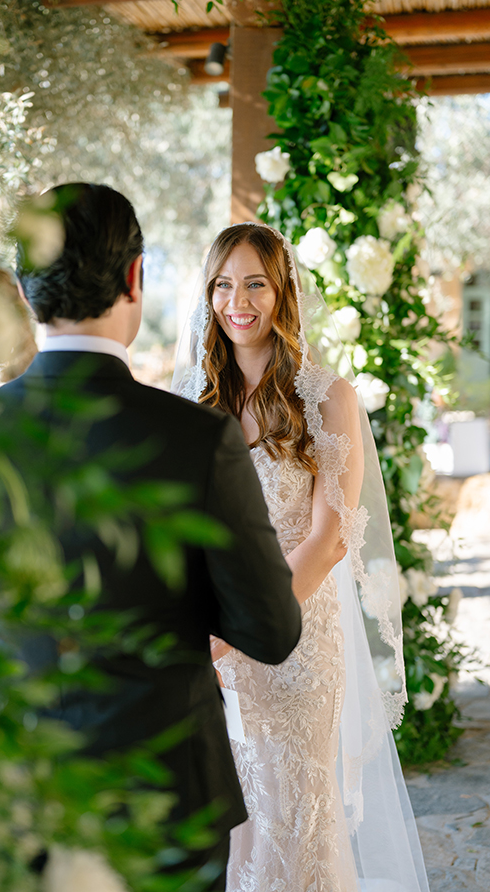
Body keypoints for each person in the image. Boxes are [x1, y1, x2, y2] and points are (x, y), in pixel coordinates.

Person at [0, 185, 302, 891]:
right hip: (169, 790)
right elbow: (272, 628)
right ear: (136, 278)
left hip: (24, 785)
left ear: (22, 285)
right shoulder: (198, 437)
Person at [172, 222, 430, 892]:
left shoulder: (326, 399)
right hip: (215, 648)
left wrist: (236, 633)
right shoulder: (200, 408)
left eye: (255, 282)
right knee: (236, 834)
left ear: (282, 291)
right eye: (223, 284)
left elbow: (329, 539)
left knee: (295, 821)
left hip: (294, 644)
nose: (238, 300)